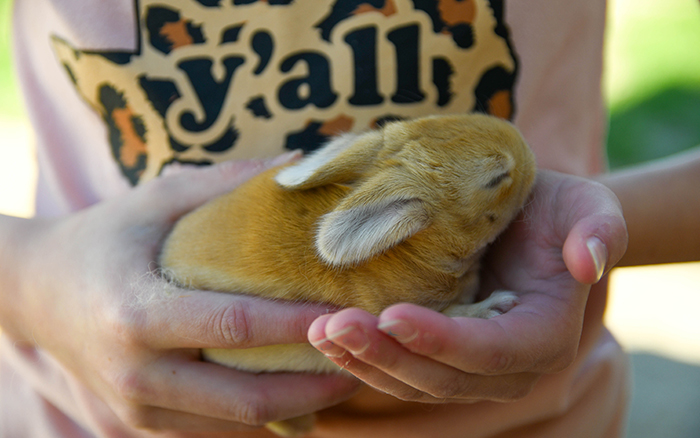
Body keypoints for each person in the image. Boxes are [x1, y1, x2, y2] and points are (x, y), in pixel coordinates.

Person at [0, 0, 690, 437]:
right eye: (501, 181)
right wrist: (27, 277)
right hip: (86, 415)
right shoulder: (389, 213)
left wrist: (593, 231)